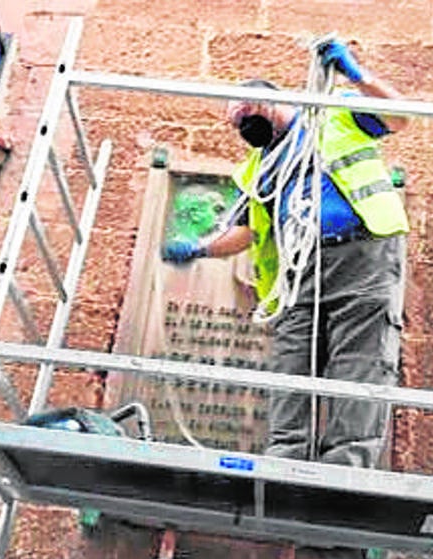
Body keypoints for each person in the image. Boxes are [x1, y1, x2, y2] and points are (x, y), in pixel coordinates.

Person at [162, 40, 411, 470]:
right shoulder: (257, 168)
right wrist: (199, 248)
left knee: (360, 362)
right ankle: (286, 456)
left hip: (362, 253)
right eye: (234, 123)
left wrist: (357, 76)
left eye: (244, 115)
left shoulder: (332, 113)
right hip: (300, 270)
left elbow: (401, 117)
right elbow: (244, 230)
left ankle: (346, 465)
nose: (241, 127)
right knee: (289, 363)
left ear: (269, 101)